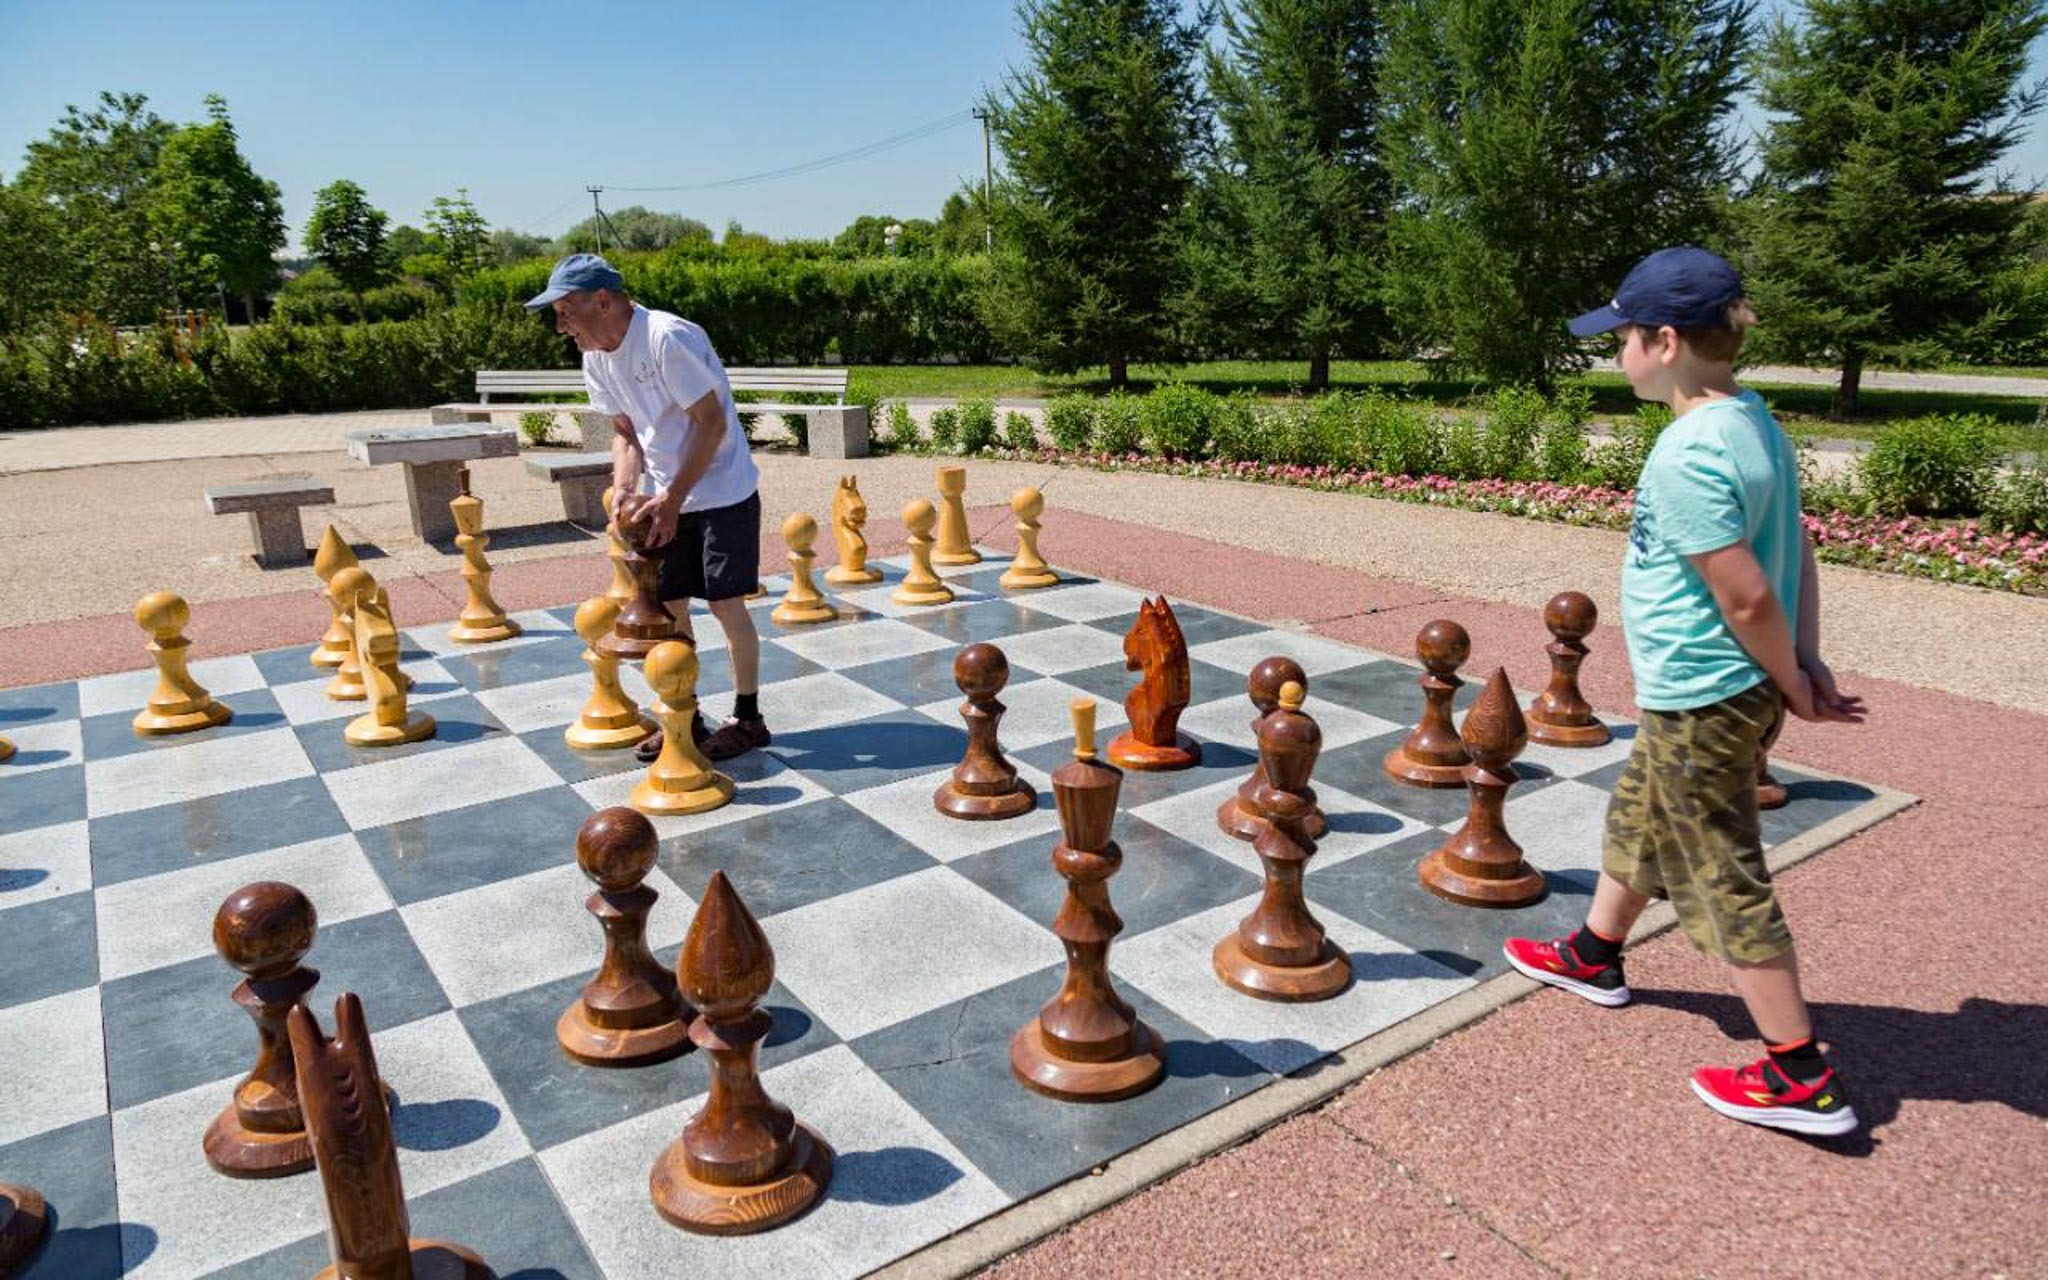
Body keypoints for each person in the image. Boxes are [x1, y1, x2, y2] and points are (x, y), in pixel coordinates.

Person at [1502, 246, 1867, 1137]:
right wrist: (1804, 663)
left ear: (1665, 341)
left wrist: (1793, 677)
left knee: (1719, 871)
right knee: (1642, 820)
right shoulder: (1752, 419)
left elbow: (1742, 591)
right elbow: (1797, 551)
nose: (1614, 350)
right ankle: (1595, 954)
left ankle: (1801, 1073)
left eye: (1622, 335)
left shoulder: (1686, 452)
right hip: (1724, 689)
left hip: (1708, 692)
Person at [525, 253, 769, 762]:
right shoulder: (594, 357)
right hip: (665, 498)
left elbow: (710, 423)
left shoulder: (665, 337)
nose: (559, 325)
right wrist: (624, 492)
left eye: (566, 311)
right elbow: (625, 432)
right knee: (668, 607)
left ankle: (748, 718)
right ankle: (685, 713)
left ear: (603, 300)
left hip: (721, 491)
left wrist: (673, 498)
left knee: (726, 606)